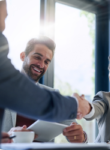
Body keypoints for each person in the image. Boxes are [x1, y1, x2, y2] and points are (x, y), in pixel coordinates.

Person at [0, 0, 89, 143]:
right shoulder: (9, 85)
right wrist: (75, 104)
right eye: (37, 57)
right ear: (23, 56)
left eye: (47, 61)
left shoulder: (50, 94)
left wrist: (81, 136)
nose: (41, 64)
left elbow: (75, 129)